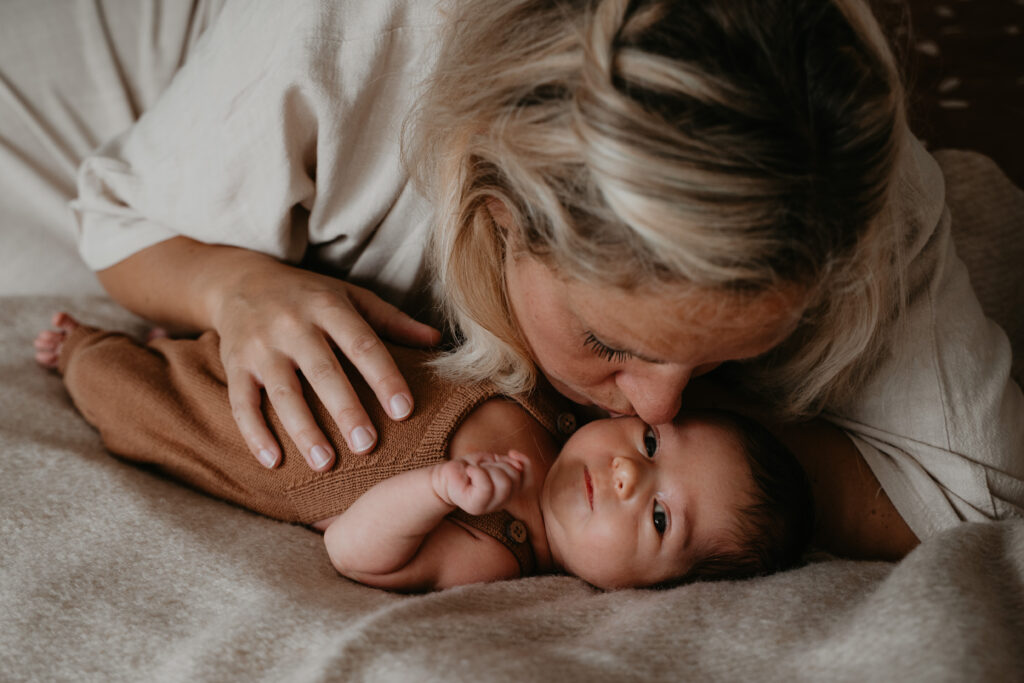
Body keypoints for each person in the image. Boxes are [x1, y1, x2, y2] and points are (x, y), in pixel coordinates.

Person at [3, 0, 1022, 563]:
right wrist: (232, 286)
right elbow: (118, 218)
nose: (660, 409)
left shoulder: (847, 174)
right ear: (493, 209)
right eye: (613, 343)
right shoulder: (348, 37)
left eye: (726, 360)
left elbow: (975, 490)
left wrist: (712, 479)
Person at [35, 312, 813, 591]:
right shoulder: (556, 416)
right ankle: (177, 333)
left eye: (660, 516)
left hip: (260, 438)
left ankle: (81, 350)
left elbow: (354, 551)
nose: (625, 473)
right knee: (237, 340)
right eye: (648, 443)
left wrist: (436, 490)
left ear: (650, 588)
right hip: (318, 353)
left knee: (141, 403)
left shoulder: (499, 547)